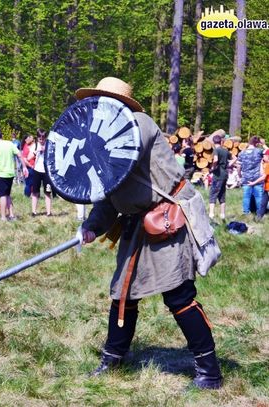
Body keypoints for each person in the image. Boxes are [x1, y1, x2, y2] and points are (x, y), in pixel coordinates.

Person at [77, 77, 223, 389]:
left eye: (105, 101)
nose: (100, 108)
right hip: (135, 225)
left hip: (165, 220)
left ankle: (209, 372)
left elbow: (119, 153)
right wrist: (92, 226)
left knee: (179, 296)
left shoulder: (137, 124)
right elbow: (107, 194)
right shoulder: (104, 139)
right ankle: (113, 359)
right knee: (122, 295)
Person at [0, 128, 28, 221]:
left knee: (2, 195)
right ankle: (11, 214)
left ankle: (3, 217)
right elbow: (19, 155)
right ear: (1, 136)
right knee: (7, 194)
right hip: (10, 173)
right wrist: (24, 167)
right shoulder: (10, 143)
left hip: (1, 174)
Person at [208, 135, 235, 222]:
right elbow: (235, 158)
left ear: (213, 142)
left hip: (218, 175)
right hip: (225, 175)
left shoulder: (216, 150)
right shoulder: (225, 150)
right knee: (222, 194)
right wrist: (229, 164)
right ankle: (222, 215)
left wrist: (213, 168)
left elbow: (215, 160)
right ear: (221, 142)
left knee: (213, 194)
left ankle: (211, 215)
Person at [29, 129, 53, 216]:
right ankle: (34, 211)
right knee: (35, 192)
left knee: (47, 192)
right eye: (40, 139)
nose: (42, 140)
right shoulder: (35, 145)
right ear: (37, 138)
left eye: (43, 138)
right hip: (37, 171)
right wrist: (37, 152)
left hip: (47, 172)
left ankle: (49, 212)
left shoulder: (49, 145)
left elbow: (54, 156)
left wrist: (46, 151)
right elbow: (28, 158)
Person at [237, 136, 264, 216]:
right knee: (259, 196)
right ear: (256, 143)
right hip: (257, 178)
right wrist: (263, 144)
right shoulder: (259, 151)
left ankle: (246, 212)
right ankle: (260, 212)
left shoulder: (241, 153)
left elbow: (239, 166)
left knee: (246, 196)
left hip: (246, 178)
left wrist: (239, 175)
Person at [250, 149, 269, 221]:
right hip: (266, 187)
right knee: (263, 203)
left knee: (264, 203)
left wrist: (253, 183)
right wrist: (261, 164)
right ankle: (258, 217)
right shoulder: (266, 164)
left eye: (264, 156)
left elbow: (263, 177)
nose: (263, 157)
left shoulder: (268, 165)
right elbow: (262, 174)